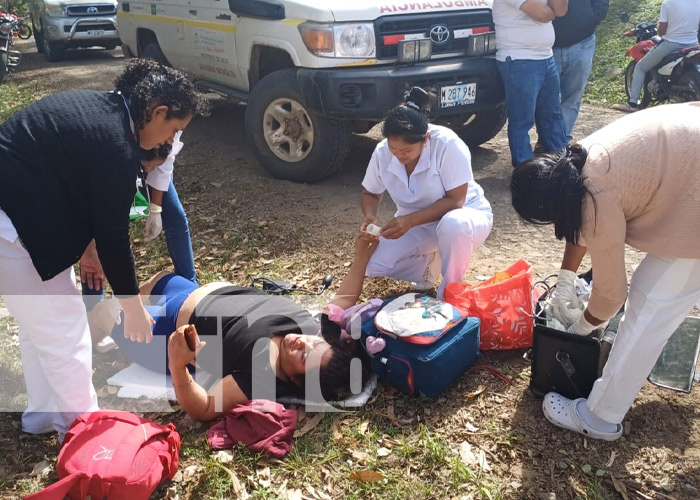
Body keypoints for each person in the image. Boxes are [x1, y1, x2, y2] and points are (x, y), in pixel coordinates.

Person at [0, 58, 208, 438]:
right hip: (13, 228)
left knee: (39, 327)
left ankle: (42, 416)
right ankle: (85, 434)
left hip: (23, 221)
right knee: (66, 331)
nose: (169, 142)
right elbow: (112, 237)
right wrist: (132, 308)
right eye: (172, 130)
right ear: (157, 112)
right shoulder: (115, 143)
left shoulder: (109, 111)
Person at [510, 102, 700, 440]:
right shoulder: (577, 160)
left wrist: (581, 328)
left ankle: (600, 417)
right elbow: (581, 219)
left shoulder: (596, 195)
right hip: (689, 147)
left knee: (650, 304)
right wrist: (566, 280)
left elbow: (612, 295)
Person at [90, 235, 375, 421]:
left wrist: (178, 365)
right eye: (315, 343)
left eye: (304, 357)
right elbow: (344, 300)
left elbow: (204, 409)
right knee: (158, 278)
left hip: (163, 333)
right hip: (186, 290)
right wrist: (362, 255)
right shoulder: (310, 328)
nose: (303, 343)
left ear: (298, 382)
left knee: (102, 312)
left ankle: (75, 347)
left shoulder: (261, 375)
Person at [360, 87, 493, 299]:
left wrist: (409, 220)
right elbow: (371, 194)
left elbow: (456, 201)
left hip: (465, 216)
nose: (399, 156)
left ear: (426, 139)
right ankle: (429, 266)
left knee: (453, 224)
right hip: (417, 224)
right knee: (372, 263)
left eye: (406, 151)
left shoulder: (448, 144)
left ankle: (451, 291)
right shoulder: (383, 152)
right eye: (394, 149)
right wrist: (369, 216)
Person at [81, 134, 197, 319]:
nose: (151, 170)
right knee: (97, 248)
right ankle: (93, 311)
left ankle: (190, 287)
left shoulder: (167, 134)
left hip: (139, 164)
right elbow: (107, 225)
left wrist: (156, 208)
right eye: (148, 167)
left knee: (176, 218)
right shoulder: (113, 155)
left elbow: (164, 165)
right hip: (109, 178)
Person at [493, 0, 569, 166]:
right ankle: (525, 171)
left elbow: (560, 11)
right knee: (522, 120)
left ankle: (562, 165)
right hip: (519, 59)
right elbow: (543, 15)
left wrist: (550, 11)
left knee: (552, 115)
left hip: (545, 57)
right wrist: (549, 11)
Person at [613, 0, 700, 112]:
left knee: (640, 67)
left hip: (671, 44)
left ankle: (632, 104)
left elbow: (661, 32)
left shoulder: (668, 4)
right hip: (693, 44)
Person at [552, 0, 609, 142]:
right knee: (546, 98)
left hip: (583, 43)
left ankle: (561, 141)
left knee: (573, 97)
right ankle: (548, 139)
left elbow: (602, 4)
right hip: (548, 45)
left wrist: (590, 19)